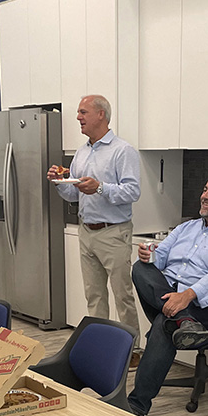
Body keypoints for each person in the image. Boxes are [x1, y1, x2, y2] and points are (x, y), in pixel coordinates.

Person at [127, 172, 208, 416]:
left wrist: (186, 296)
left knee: (164, 325)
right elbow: (160, 257)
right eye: (205, 189)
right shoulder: (186, 228)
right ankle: (182, 320)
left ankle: (136, 407)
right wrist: (149, 254)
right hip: (173, 301)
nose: (204, 196)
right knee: (141, 269)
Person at [46, 94, 143, 367]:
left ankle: (132, 351)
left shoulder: (123, 151)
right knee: (94, 295)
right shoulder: (82, 152)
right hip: (86, 231)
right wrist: (60, 182)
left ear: (101, 114)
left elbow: (132, 191)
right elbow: (74, 195)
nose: (78, 117)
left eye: (83, 112)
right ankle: (100, 345)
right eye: (79, 113)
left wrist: (99, 187)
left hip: (114, 232)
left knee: (122, 295)